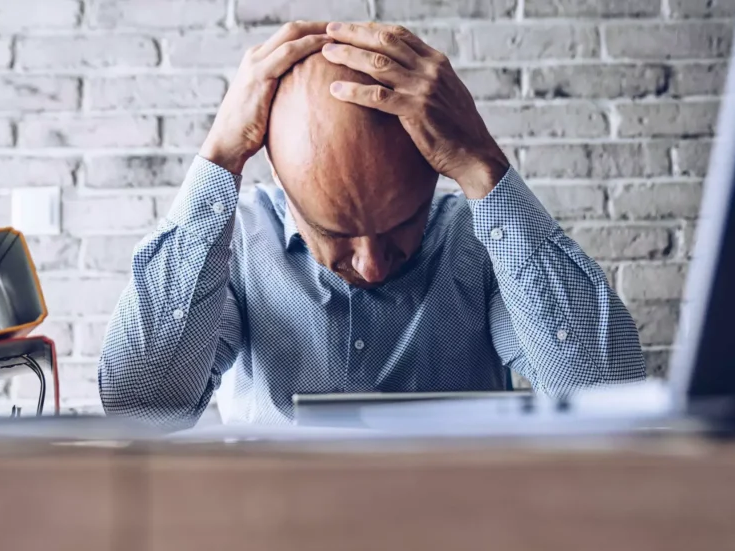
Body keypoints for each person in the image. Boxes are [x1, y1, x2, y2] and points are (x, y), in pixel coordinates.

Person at [99, 21, 645, 426]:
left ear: (436, 176)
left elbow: (609, 396)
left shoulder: (478, 241)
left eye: (401, 225)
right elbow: (141, 405)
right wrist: (218, 158)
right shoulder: (236, 245)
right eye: (335, 233)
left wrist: (484, 168)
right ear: (284, 187)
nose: (373, 264)